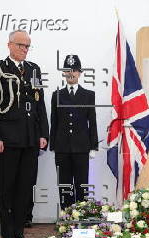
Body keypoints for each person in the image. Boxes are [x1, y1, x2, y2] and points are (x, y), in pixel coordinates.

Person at [0, 30, 49, 238]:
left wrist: (43, 134)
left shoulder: (33, 70)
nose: (24, 49)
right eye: (21, 45)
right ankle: (7, 233)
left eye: (27, 46)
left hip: (30, 138)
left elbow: (40, 104)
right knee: (8, 187)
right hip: (8, 138)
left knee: (25, 186)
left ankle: (19, 232)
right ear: (9, 45)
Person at [50, 55, 98, 209]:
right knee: (64, 185)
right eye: (67, 70)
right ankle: (66, 217)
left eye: (74, 70)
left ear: (79, 73)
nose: (71, 73)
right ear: (64, 73)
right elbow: (54, 121)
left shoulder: (89, 95)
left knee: (81, 185)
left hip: (81, 148)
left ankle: (81, 216)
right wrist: (53, 145)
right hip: (62, 148)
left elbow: (92, 121)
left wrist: (93, 146)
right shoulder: (56, 95)